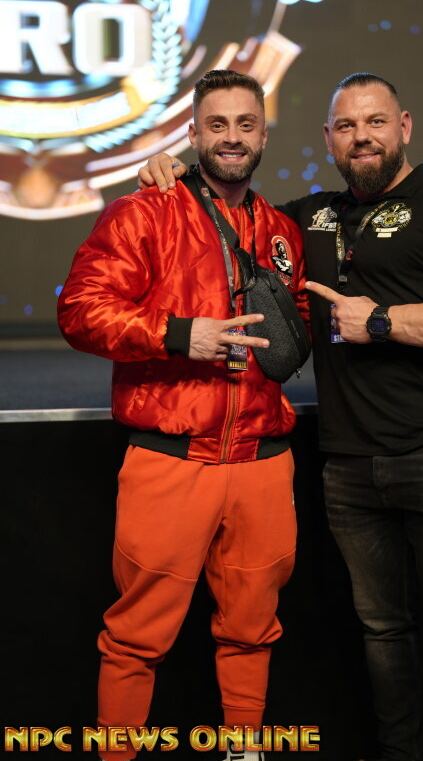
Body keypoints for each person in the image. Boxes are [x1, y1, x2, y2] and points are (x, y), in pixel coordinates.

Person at [138, 72, 423, 761]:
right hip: (349, 465)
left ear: (404, 126)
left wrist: (383, 320)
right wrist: (170, 170)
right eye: (346, 126)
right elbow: (228, 207)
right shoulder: (306, 219)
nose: (361, 137)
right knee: (383, 633)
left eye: (375, 122)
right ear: (328, 138)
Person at [58, 70, 309, 761]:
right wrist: (177, 334)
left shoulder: (282, 230)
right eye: (217, 124)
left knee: (253, 630)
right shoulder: (144, 212)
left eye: (245, 124)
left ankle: (244, 751)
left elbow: (296, 323)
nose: (232, 137)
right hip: (172, 458)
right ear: (193, 132)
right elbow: (79, 312)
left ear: (263, 134)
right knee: (136, 637)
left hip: (262, 461)